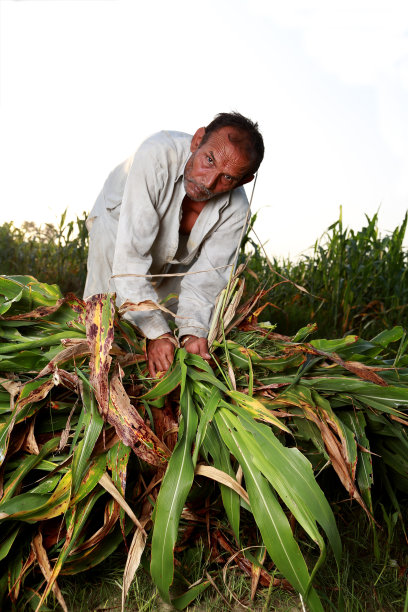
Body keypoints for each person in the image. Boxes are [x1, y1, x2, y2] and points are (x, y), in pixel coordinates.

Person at [84, 112, 264, 377]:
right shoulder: (157, 155)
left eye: (227, 178)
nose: (208, 182)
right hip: (118, 226)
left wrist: (192, 334)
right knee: (102, 320)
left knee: (166, 325)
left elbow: (206, 280)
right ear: (197, 140)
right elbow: (130, 258)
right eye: (209, 160)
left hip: (177, 257)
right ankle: (92, 380)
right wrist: (156, 333)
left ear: (244, 180)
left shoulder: (236, 210)